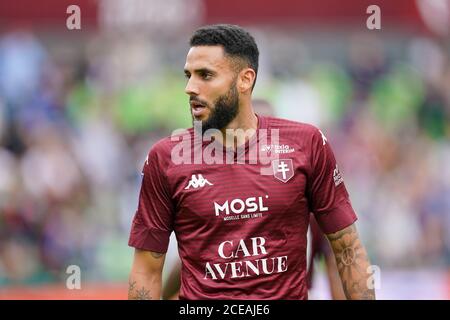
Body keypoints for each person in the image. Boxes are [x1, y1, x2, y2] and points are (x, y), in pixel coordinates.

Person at [127, 24, 375, 300]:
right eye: (188, 76)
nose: (190, 88)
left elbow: (347, 250)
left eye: (205, 75)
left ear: (245, 80)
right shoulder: (165, 158)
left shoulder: (308, 143)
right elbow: (147, 271)